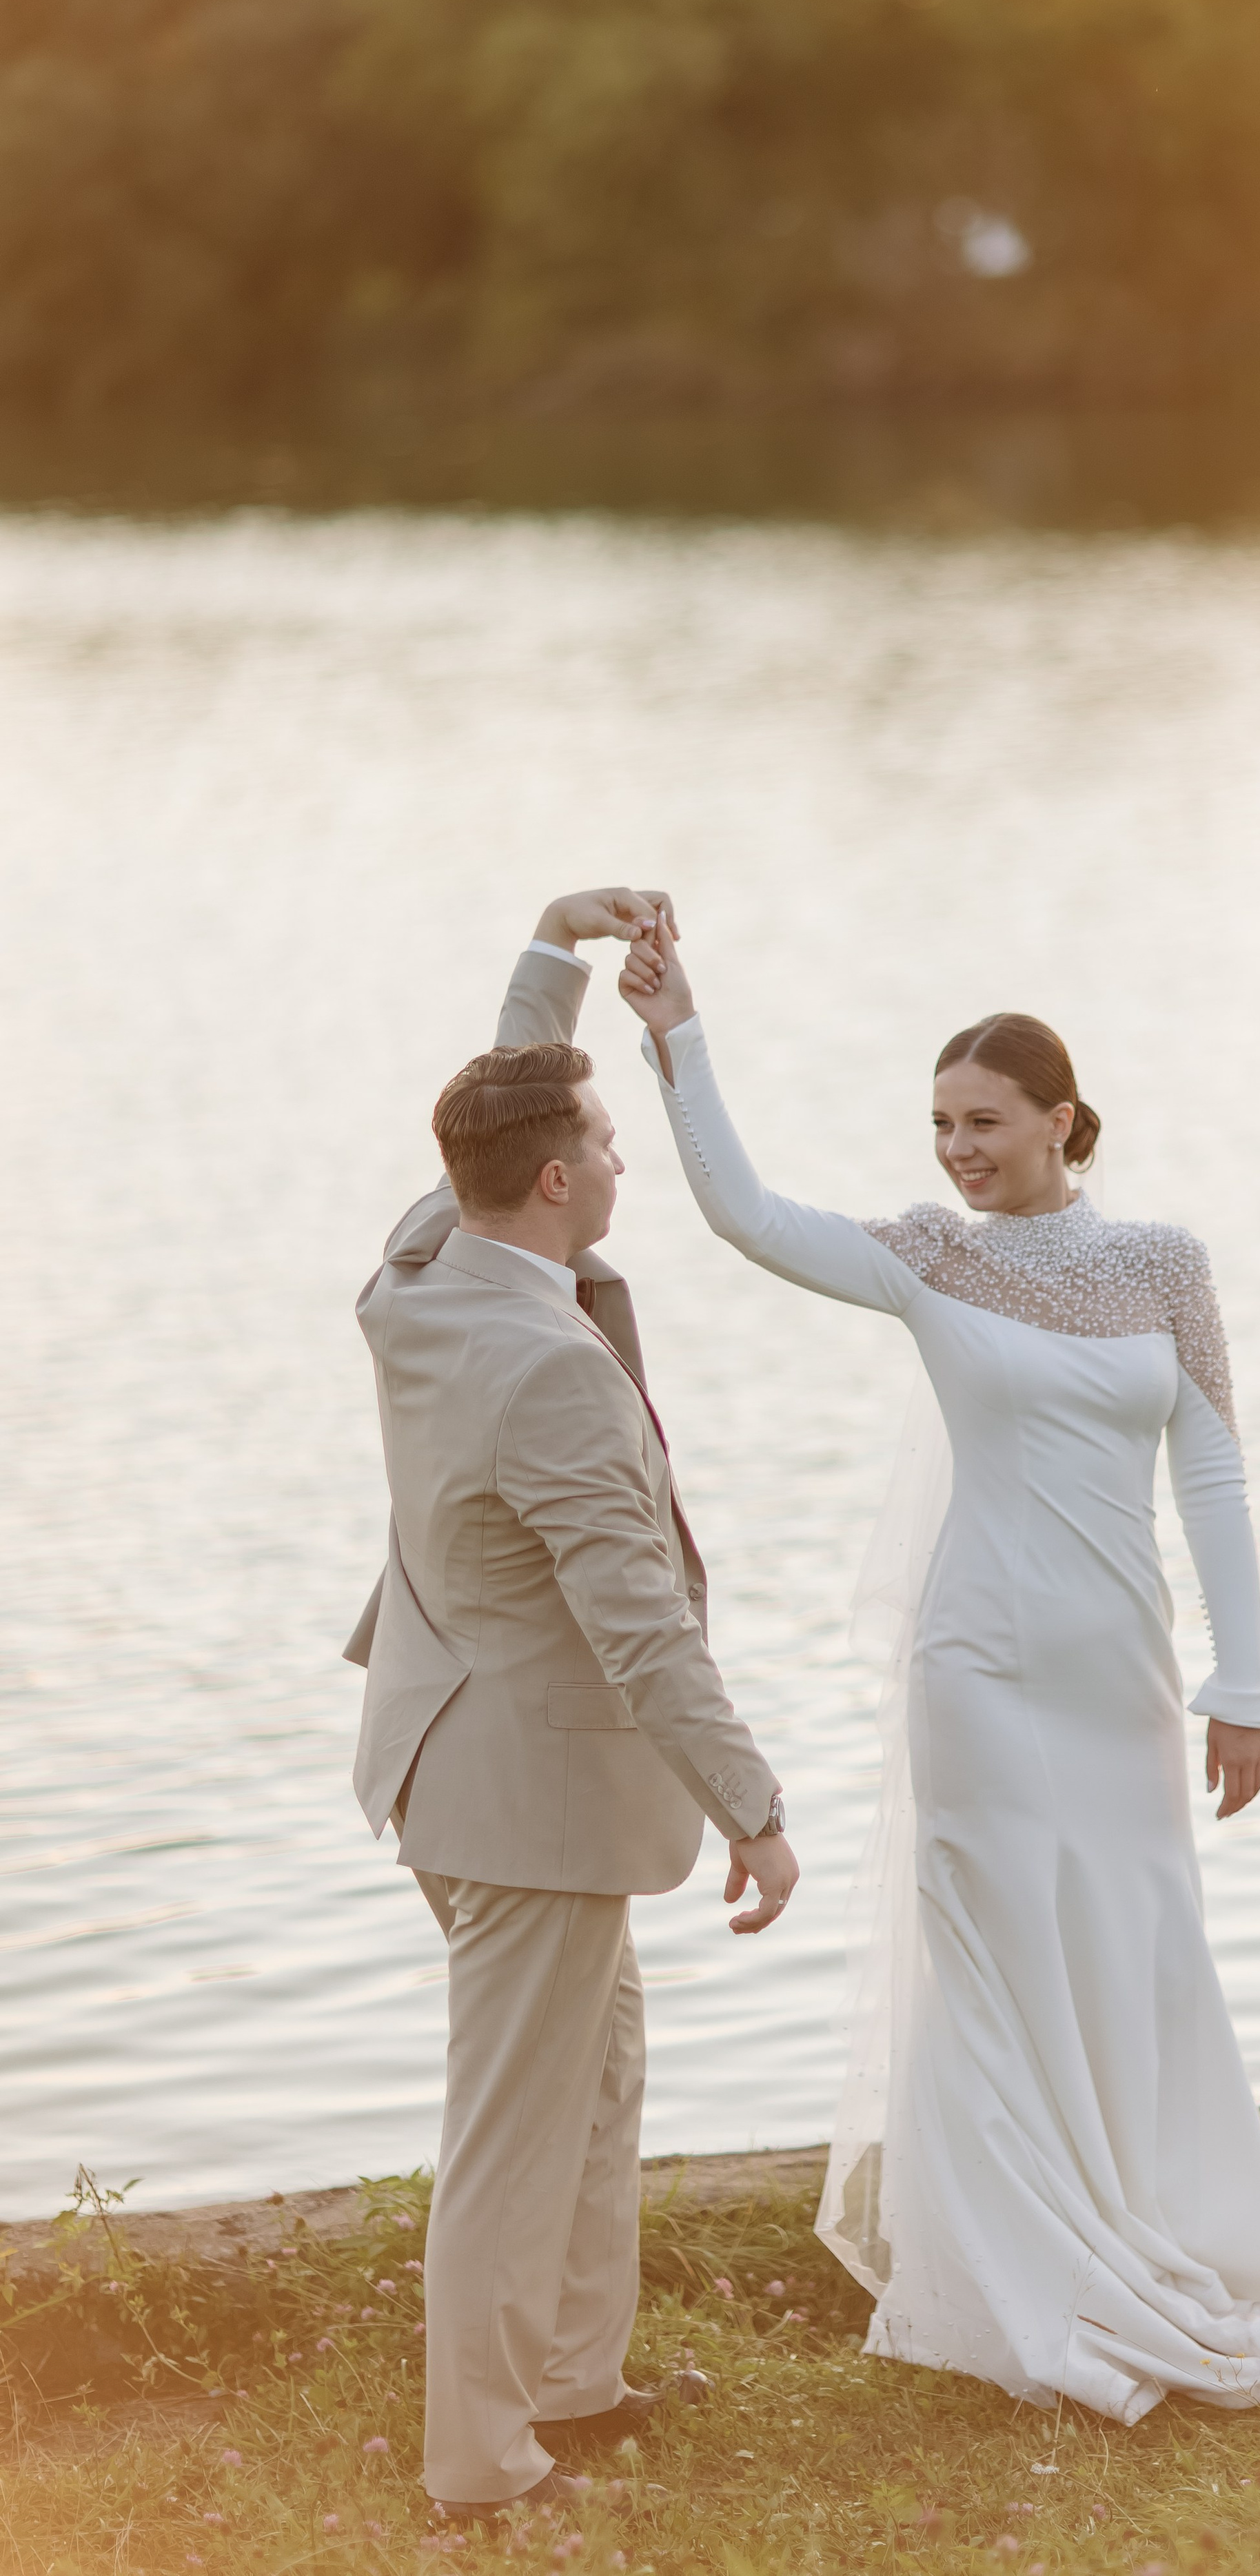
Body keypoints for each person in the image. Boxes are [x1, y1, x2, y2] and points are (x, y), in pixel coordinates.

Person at [616, 921, 1260, 2423]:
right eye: (939, 1126)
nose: (956, 1151)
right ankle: (1023, 2279)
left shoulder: (1162, 1266)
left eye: (983, 1123)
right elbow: (743, 1214)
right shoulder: (930, 1258)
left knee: (1132, 1944)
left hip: (1121, 1676)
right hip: (977, 1671)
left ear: (1059, 1120)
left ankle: (1148, 2226)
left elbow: (1212, 1477)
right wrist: (680, 1036)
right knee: (997, 1958)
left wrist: (1243, 1682)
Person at [345, 889, 800, 2521]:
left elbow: (501, 1096)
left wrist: (554, 949)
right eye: (603, 1137)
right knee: (518, 2135)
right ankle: (480, 2465)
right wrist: (752, 1806)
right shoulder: (546, 1372)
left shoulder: (421, 1264)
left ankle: (571, 2387)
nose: (620, 1158)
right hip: (517, 1797)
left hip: (454, 1752)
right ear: (554, 1179)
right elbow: (637, 1630)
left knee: (598, 2083)